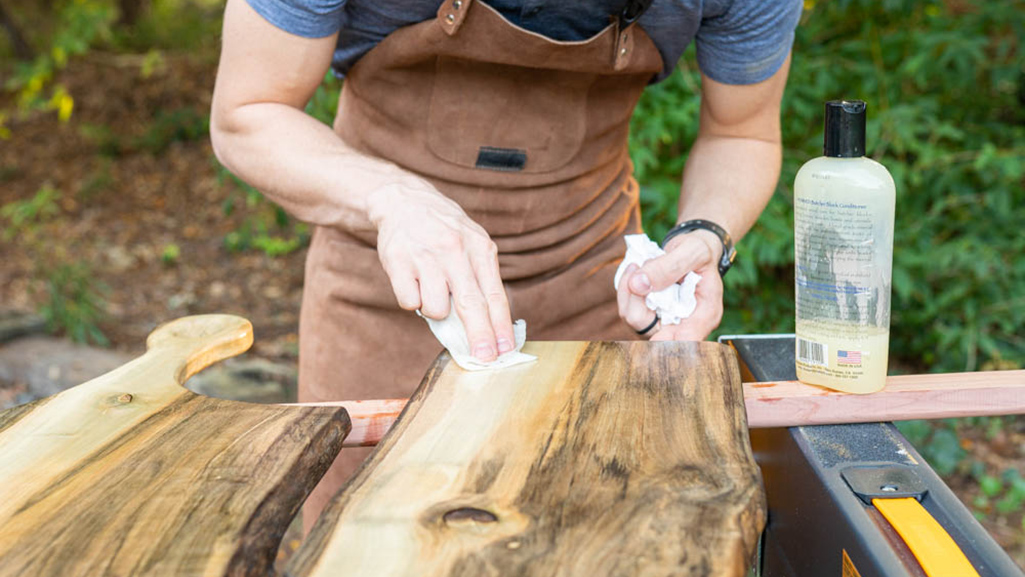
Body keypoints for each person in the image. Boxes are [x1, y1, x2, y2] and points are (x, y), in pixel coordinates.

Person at [210, 0, 802, 532]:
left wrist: (704, 233)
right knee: (366, 561)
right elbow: (248, 113)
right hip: (385, 286)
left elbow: (741, 133)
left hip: (593, 288)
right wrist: (394, 199)